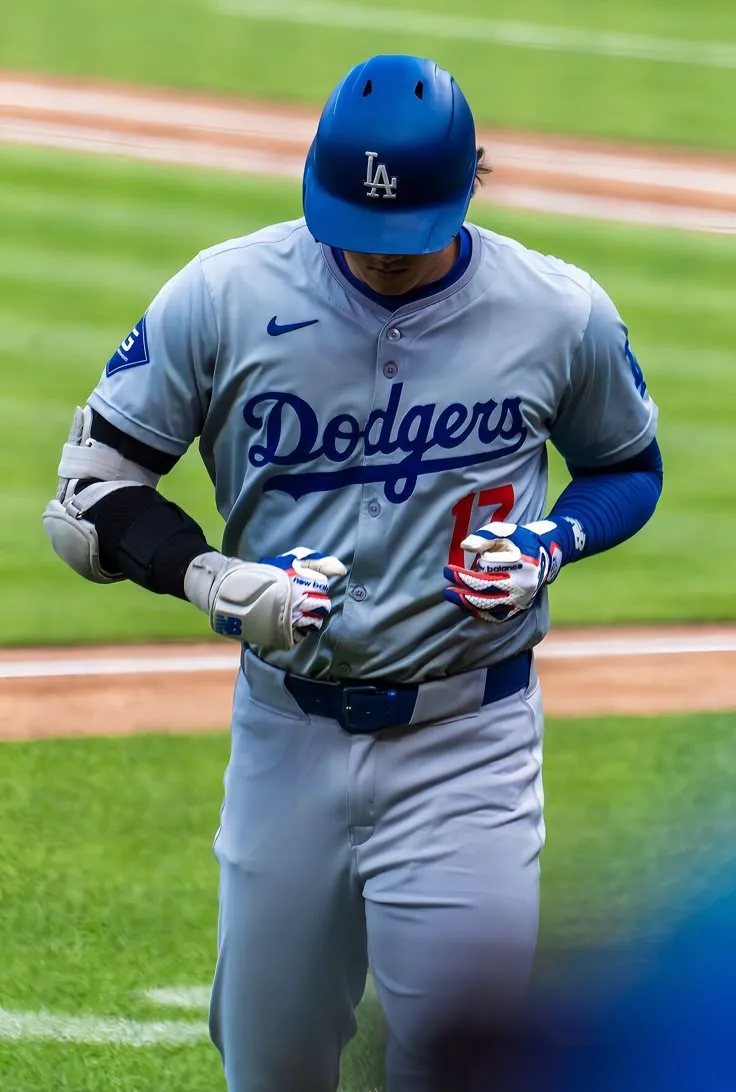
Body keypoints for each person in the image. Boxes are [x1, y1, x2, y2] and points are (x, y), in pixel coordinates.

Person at [43, 54, 663, 1092]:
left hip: (469, 743)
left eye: (404, 235)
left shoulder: (558, 310)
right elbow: (87, 498)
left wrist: (553, 544)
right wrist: (209, 578)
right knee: (271, 1062)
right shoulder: (223, 294)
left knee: (466, 1066)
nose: (376, 258)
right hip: (285, 736)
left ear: (470, 185)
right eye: (356, 230)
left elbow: (624, 465)